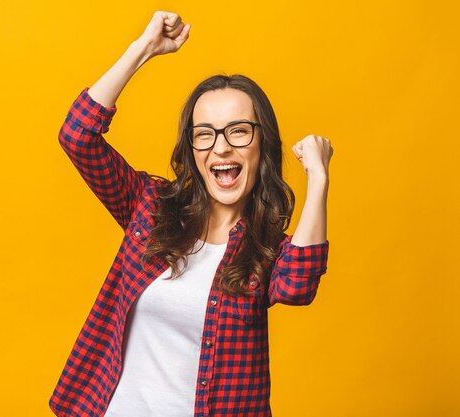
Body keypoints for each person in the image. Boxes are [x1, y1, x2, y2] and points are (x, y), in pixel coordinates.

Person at [49, 10, 333, 417]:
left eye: (238, 130)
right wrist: (142, 48)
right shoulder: (150, 207)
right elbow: (77, 136)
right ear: (192, 149)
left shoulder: (265, 249)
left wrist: (318, 179)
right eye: (205, 134)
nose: (221, 148)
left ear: (261, 144)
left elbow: (298, 287)